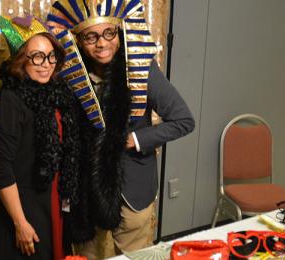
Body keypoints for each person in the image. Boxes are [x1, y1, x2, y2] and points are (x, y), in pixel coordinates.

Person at [47, 0, 195, 258]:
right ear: (78, 40)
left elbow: (184, 120)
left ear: (120, 32)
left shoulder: (143, 70)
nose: (102, 43)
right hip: (87, 190)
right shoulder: (66, 77)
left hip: (132, 189)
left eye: (109, 33)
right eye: (91, 37)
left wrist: (133, 139)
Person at [0, 14, 80, 260]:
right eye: (37, 56)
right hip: (25, 205)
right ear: (20, 61)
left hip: (52, 200)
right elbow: (0, 167)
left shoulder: (56, 93)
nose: (46, 63)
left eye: (51, 56)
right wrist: (20, 222)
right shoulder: (10, 99)